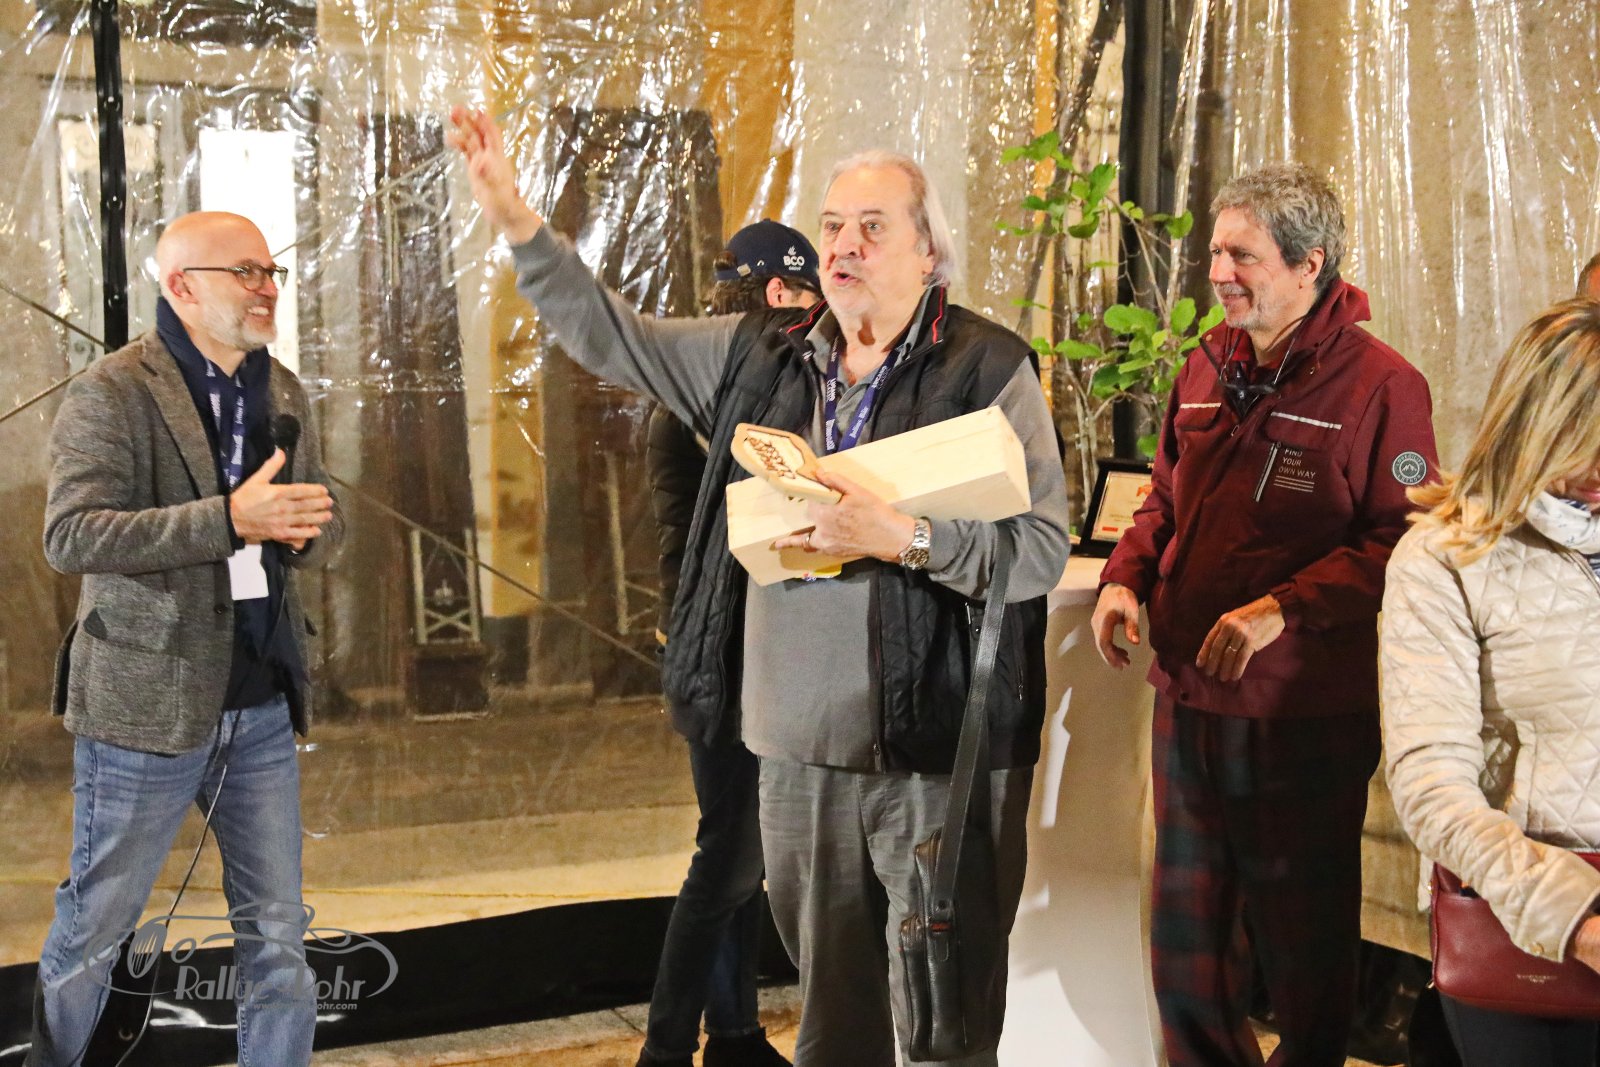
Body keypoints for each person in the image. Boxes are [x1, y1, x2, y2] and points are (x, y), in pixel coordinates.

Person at [450, 106, 1070, 1067]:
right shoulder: (760, 355)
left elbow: (1038, 548)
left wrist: (905, 537)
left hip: (937, 763)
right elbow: (613, 336)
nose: (843, 245)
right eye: (832, 225)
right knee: (833, 1029)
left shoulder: (986, 368)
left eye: (872, 227)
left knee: (944, 1031)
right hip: (796, 761)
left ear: (929, 252)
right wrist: (518, 222)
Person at [1090, 163, 1438, 1066]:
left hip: (1299, 711)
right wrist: (1125, 576)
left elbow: (1403, 538)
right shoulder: (1206, 362)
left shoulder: (1385, 386)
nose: (1218, 272)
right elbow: (1163, 496)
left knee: (1301, 942)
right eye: (1216, 251)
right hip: (1189, 697)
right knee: (1188, 945)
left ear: (1308, 263)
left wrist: (1284, 608)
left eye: (1241, 255)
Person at [30, 211, 342, 1067]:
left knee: (277, 936)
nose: (267, 287)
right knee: (96, 927)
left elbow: (325, 521)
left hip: (261, 705)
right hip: (144, 711)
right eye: (246, 272)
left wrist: (304, 528)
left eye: (271, 271)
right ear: (181, 286)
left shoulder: (282, 391)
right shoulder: (112, 391)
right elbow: (72, 535)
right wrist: (230, 519)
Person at [1382, 300, 1600, 1065]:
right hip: (1529, 931)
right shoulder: (1444, 559)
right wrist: (1575, 917)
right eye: (1590, 445)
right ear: (1538, 427)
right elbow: (1431, 786)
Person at [639, 220, 820, 1067]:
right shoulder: (725, 396)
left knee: (742, 847)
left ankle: (736, 1034)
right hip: (725, 652)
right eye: (810, 295)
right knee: (729, 854)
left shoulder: (718, 380)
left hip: (735, 647)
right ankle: (666, 1047)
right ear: (779, 294)